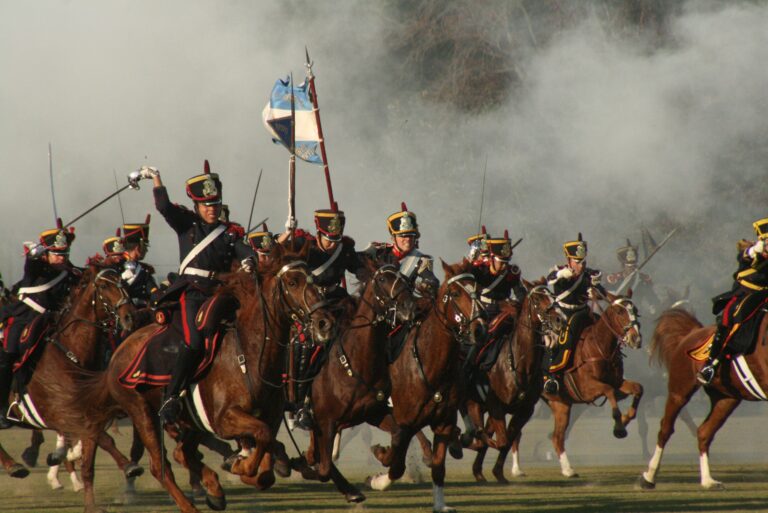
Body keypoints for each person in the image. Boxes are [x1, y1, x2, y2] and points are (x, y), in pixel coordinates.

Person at [128, 161, 255, 424]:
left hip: (220, 295)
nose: (212, 208)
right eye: (206, 204)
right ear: (197, 205)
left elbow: (246, 253)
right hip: (194, 294)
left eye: (215, 203)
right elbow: (164, 207)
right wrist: (156, 178)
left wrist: (250, 261)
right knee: (195, 342)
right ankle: (172, 397)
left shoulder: (229, 234)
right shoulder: (187, 224)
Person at [283, 207, 362, 429]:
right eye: (328, 238)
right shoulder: (302, 246)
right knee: (305, 344)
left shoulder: (344, 248)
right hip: (310, 305)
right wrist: (285, 233)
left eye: (336, 238)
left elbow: (361, 269)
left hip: (338, 303)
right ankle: (299, 403)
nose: (332, 243)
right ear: (319, 232)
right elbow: (277, 253)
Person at [0, 222, 80, 428]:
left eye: (65, 254)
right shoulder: (38, 269)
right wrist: (34, 253)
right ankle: (2, 407)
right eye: (57, 254)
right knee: (10, 353)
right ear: (47, 254)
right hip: (25, 317)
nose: (62, 258)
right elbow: (32, 264)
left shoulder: (69, 273)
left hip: (53, 322)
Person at [698, 218, 768, 385]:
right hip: (746, 294)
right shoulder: (751, 253)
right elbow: (746, 256)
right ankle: (711, 364)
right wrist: (757, 249)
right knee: (731, 319)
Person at [543, 233, 607, 394]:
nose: (581, 265)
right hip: (562, 315)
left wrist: (596, 293)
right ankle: (552, 375)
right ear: (569, 260)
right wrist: (562, 274)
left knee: (606, 328)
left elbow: (602, 293)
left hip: (584, 313)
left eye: (583, 262)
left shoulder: (589, 275)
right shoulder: (559, 273)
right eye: (578, 262)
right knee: (558, 340)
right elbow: (549, 279)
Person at [464, 230, 526, 381]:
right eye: (501, 262)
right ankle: (466, 372)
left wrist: (516, 305)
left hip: (504, 313)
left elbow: (521, 295)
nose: (504, 266)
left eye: (506, 262)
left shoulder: (511, 273)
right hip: (481, 311)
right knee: (476, 340)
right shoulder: (479, 270)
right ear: (491, 258)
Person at [362, 202, 439, 297]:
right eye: (403, 236)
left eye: (411, 236)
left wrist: (427, 286)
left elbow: (431, 279)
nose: (408, 239)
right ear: (393, 238)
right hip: (376, 304)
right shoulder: (377, 252)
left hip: (403, 306)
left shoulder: (421, 260)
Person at [605, 239, 661, 315]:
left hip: (635, 312)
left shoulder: (642, 280)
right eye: (628, 266)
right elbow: (604, 295)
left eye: (633, 266)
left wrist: (653, 307)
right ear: (623, 266)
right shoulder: (614, 279)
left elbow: (651, 297)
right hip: (616, 313)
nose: (631, 268)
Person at [120, 216, 157, 308]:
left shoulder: (145, 271)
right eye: (145, 246)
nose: (146, 250)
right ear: (138, 247)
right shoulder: (116, 267)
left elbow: (153, 293)